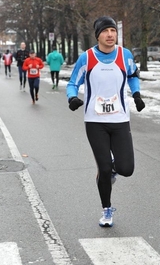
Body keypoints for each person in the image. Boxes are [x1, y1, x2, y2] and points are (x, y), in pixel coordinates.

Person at [66, 16, 145, 227]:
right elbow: (72, 83)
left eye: (113, 31)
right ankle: (107, 209)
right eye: (105, 31)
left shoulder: (124, 54)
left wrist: (136, 94)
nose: (110, 35)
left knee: (126, 168)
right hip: (95, 121)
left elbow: (133, 75)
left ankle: (110, 171)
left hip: (120, 119)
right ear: (97, 35)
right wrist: (72, 98)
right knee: (102, 166)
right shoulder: (87, 58)